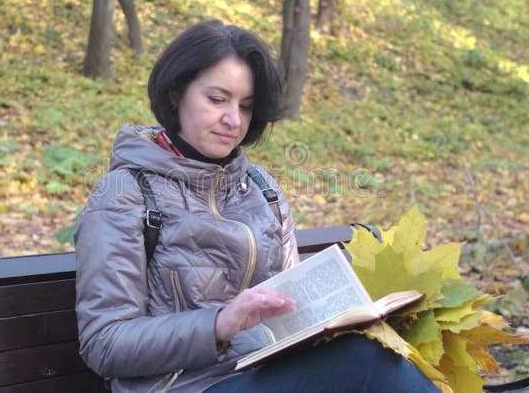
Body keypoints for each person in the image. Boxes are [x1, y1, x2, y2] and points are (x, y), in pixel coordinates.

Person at [74, 20, 439, 393]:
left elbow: (292, 311)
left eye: (245, 106)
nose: (233, 120)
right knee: (365, 362)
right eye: (217, 99)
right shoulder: (125, 194)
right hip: (185, 387)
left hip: (265, 375)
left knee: (372, 350)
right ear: (175, 93)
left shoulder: (261, 189)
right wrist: (219, 324)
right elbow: (105, 343)